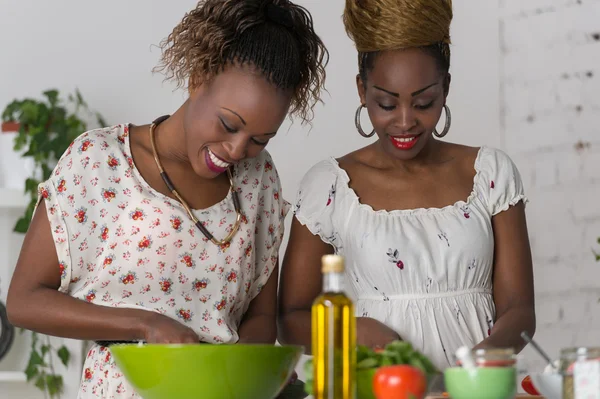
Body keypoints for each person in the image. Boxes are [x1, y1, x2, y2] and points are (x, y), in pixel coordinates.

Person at [6, 0, 327, 397]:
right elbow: (24, 301)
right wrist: (144, 324)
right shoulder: (100, 161)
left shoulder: (258, 178)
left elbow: (260, 317)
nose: (236, 149)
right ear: (198, 79)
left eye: (260, 139)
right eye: (229, 125)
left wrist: (243, 374)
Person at [278, 0, 535, 370]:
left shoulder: (490, 173)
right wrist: (347, 331)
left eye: (424, 102)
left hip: (477, 391)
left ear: (445, 88)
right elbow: (290, 319)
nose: (404, 122)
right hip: (379, 388)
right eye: (385, 103)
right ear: (361, 90)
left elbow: (520, 310)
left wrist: (482, 361)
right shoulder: (331, 186)